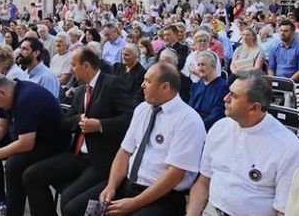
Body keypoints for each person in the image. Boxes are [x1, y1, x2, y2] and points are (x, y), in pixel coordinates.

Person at [66, 62, 206, 215]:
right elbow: (125, 151)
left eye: (148, 81)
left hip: (162, 195)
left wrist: (133, 204)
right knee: (74, 209)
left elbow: (175, 175)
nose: (142, 85)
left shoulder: (189, 120)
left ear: (165, 87)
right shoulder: (143, 109)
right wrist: (111, 186)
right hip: (128, 184)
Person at [26, 47, 136, 216]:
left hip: (100, 159)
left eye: (74, 65)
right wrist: (78, 120)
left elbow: (130, 117)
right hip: (77, 155)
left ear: (86, 66)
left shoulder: (111, 84)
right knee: (31, 175)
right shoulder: (80, 91)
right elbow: (64, 123)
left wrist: (100, 125)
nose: (71, 69)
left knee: (69, 201)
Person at [187, 73, 299, 216]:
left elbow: (283, 210)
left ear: (254, 108)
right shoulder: (220, 128)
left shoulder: (288, 148)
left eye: (234, 96)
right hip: (211, 211)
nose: (225, 98)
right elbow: (203, 182)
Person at [0, 73, 69, 216]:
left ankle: (13, 212)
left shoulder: (26, 98)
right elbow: (1, 126)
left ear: (1, 92)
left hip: (50, 144)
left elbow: (26, 144)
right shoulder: (7, 93)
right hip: (28, 138)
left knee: (14, 165)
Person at [188, 50, 228, 131]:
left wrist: (199, 126)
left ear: (213, 66)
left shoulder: (223, 87)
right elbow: (189, 108)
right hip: (193, 124)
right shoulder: (197, 84)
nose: (200, 68)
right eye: (198, 65)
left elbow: (217, 114)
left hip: (209, 128)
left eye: (203, 64)